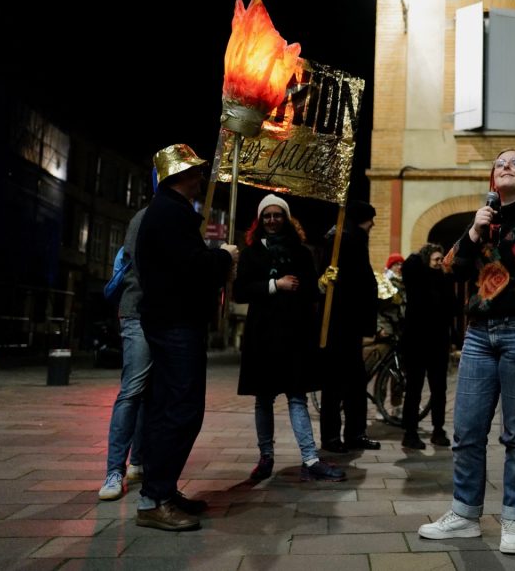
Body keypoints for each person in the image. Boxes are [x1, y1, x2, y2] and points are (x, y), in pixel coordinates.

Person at [417, 149, 515, 555]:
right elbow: (450, 268)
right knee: (467, 429)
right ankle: (465, 515)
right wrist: (472, 232)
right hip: (479, 334)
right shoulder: (485, 218)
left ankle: (514, 518)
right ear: (492, 178)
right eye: (500, 163)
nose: (506, 167)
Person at [133, 144, 238, 532]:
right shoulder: (170, 214)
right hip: (175, 323)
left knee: (171, 407)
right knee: (180, 409)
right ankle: (154, 498)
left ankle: (163, 490)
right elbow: (192, 267)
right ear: (179, 176)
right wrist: (224, 256)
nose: (200, 178)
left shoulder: (170, 212)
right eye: (194, 172)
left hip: (172, 321)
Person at [234, 194, 345, 483]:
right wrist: (275, 284)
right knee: (264, 399)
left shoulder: (301, 253)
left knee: (297, 397)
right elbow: (240, 291)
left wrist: (323, 284)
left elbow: (309, 293)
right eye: (267, 215)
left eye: (277, 215)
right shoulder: (251, 253)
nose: (272, 220)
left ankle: (310, 459)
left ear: (286, 218)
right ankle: (266, 457)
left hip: (295, 335)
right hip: (262, 335)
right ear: (260, 220)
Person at [319, 199, 381, 454]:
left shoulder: (352, 238)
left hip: (350, 324)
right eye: (370, 219)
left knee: (355, 382)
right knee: (335, 383)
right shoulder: (341, 239)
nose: (373, 224)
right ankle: (332, 436)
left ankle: (355, 433)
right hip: (339, 323)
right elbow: (345, 283)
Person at [98, 206, 149, 501]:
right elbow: (142, 264)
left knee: (147, 392)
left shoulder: (176, 213)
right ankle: (114, 471)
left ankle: (138, 463)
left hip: (160, 315)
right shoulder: (146, 216)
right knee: (132, 391)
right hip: (139, 312)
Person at [400, 243, 456, 449]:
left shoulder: (443, 279)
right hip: (416, 341)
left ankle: (438, 430)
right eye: (436, 259)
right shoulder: (417, 276)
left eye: (441, 259)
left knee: (439, 389)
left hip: (438, 342)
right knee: (414, 388)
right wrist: (424, 253)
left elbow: (451, 307)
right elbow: (409, 264)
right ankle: (410, 432)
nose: (439, 262)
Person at [377, 253, 406, 342]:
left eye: (401, 264)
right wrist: (379, 329)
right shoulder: (383, 284)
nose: (399, 267)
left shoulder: (405, 283)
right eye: (396, 264)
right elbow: (376, 310)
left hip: (402, 327)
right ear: (390, 267)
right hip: (387, 327)